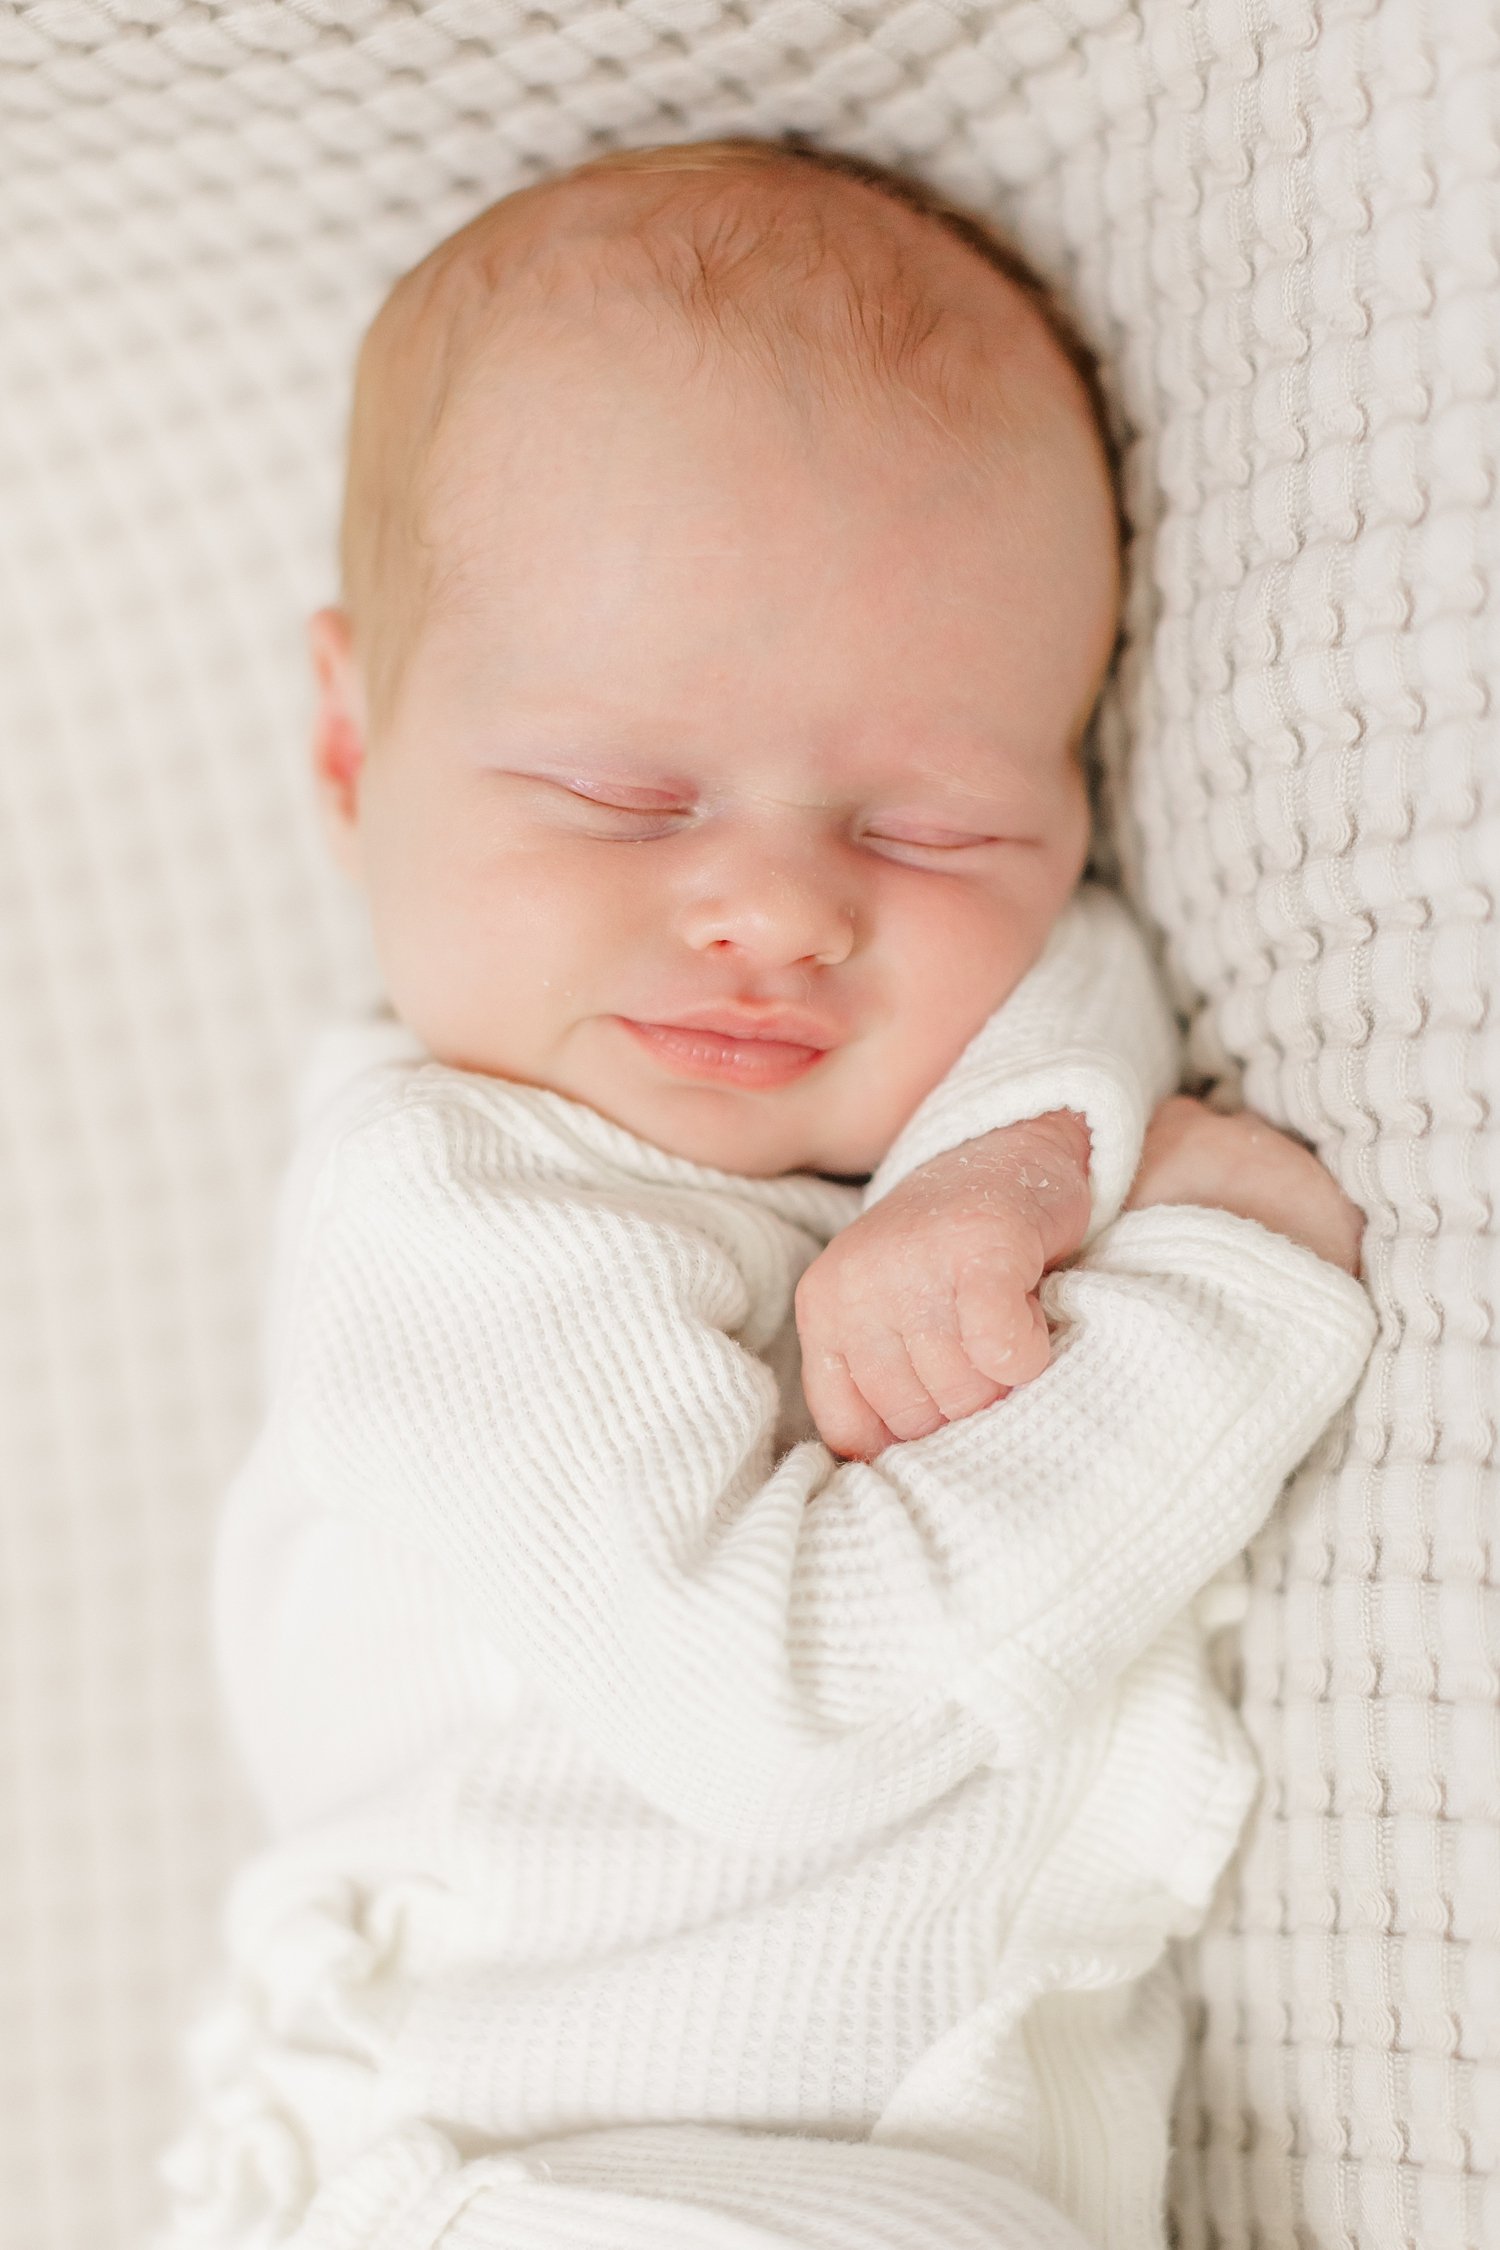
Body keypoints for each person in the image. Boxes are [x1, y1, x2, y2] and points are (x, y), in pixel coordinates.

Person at [152, 138, 1376, 2250]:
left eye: (925, 827)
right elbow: (780, 1704)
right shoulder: (455, 1225)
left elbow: (1075, 954)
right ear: (353, 756)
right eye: (629, 800)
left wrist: (1026, 1154)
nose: (773, 909)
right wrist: (1215, 1314)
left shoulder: (912, 1078)